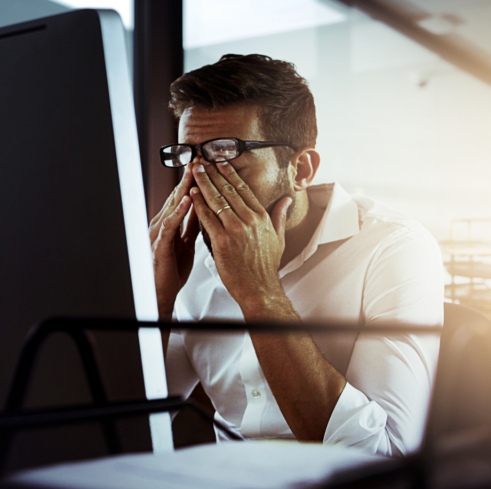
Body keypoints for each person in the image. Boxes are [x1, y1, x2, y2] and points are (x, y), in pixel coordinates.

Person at [148, 54, 444, 457]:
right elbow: (123, 425)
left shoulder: (393, 247)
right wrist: (155, 300)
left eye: (224, 154)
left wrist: (260, 294)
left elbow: (382, 459)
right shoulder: (189, 261)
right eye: (189, 157)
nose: (199, 185)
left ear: (301, 170)